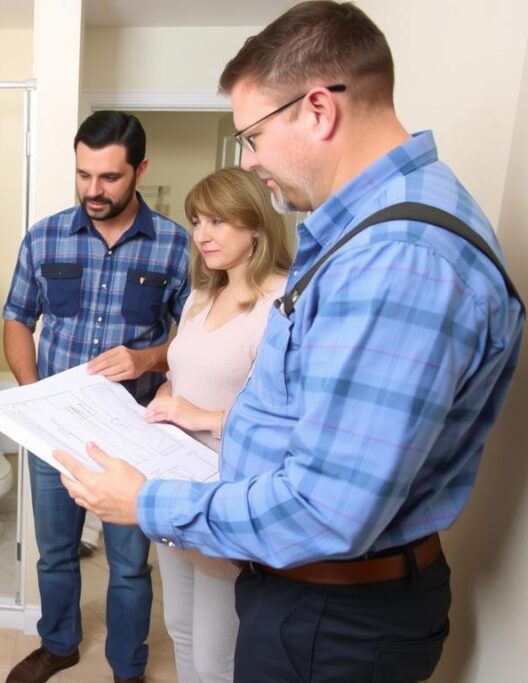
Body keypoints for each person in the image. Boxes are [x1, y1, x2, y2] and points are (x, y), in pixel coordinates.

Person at [57, 2, 524, 681]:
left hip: (336, 616)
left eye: (250, 136)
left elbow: (325, 509)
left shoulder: (398, 260)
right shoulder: (366, 235)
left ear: (317, 110)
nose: (250, 160)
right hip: (316, 596)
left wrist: (145, 499)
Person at [3, 110, 191, 683]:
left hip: (134, 435)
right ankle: (58, 644)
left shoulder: (176, 247)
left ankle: (127, 666)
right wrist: (33, 399)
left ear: (140, 170)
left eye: (108, 177)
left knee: (131, 565)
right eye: (84, 174)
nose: (93, 190)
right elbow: (16, 319)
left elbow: (195, 341)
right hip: (54, 431)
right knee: (54, 552)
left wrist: (149, 357)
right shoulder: (44, 236)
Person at [146, 167, 291, 682]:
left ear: (256, 226)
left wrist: (201, 416)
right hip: (175, 482)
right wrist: (165, 399)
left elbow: (288, 424)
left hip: (225, 496)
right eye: (196, 221)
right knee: (179, 626)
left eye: (218, 221)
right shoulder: (199, 296)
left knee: (215, 657)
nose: (202, 234)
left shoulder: (282, 305)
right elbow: (179, 375)